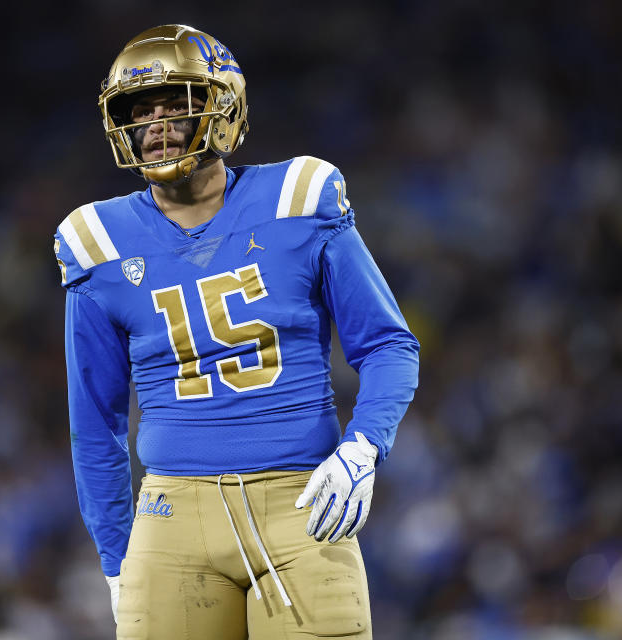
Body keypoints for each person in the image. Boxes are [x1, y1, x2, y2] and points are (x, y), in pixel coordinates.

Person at [53, 24, 419, 639]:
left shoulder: (299, 197)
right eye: (142, 112)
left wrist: (362, 447)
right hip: (170, 520)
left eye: (176, 105)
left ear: (224, 108)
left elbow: (387, 345)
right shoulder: (98, 242)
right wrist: (117, 557)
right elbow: (95, 424)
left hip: (299, 506)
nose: (158, 125)